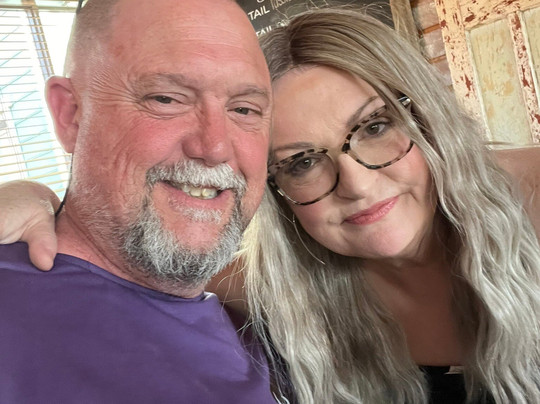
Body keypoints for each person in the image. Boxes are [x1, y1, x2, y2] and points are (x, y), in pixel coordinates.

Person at [1, 6, 539, 404]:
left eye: (375, 128)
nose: (355, 184)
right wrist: (33, 199)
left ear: (430, 122)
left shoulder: (529, 205)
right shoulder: (274, 294)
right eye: (301, 162)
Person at [0, 0, 280, 402]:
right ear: (70, 114)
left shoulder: (267, 317)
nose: (215, 147)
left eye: (244, 109)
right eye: (166, 99)